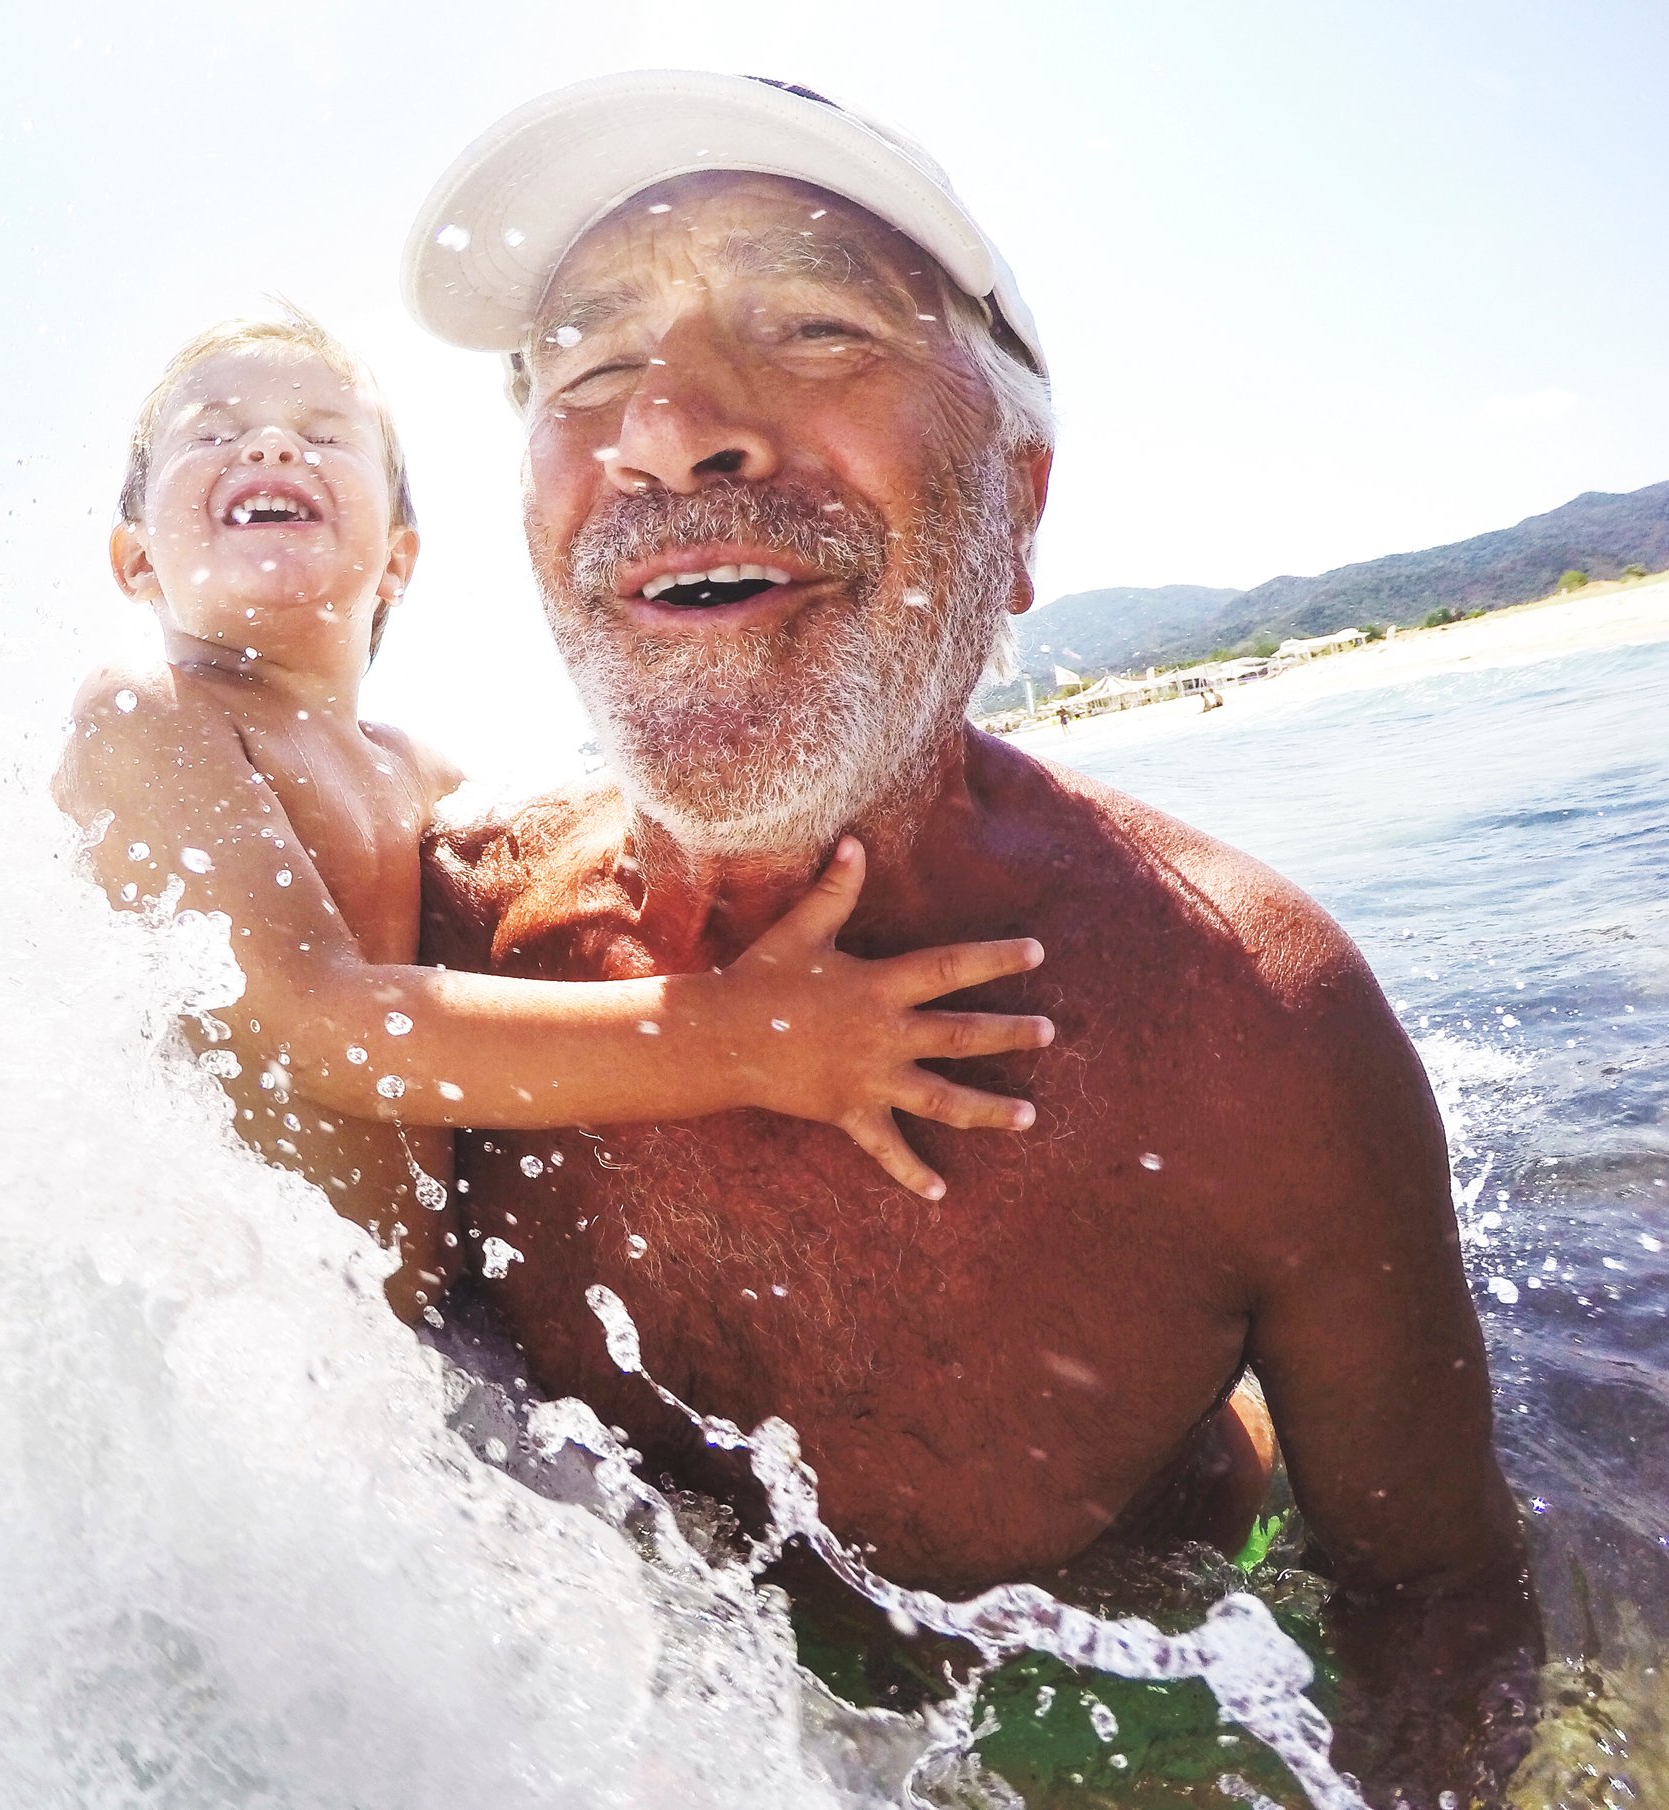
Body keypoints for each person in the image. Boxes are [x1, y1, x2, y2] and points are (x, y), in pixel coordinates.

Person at [401, 72, 1536, 1803]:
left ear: (1019, 503)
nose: (676, 424)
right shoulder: (440, 953)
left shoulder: (1252, 1031)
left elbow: (1435, 1604)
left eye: (815, 327)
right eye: (590, 361)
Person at [53, 309, 1057, 1325]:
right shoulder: (149, 714)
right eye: (214, 433)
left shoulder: (418, 770)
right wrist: (747, 1036)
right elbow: (318, 1029)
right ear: (136, 561)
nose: (270, 445)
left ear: (399, 559)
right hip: (249, 1350)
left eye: (321, 433)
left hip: (427, 1347)